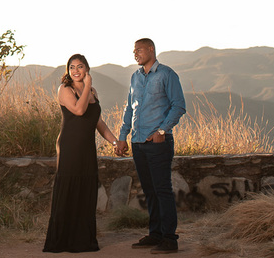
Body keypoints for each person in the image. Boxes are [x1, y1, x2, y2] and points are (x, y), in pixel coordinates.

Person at [43, 53, 122, 253]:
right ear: (68, 71)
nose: (76, 71)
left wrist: (114, 141)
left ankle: (83, 241)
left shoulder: (92, 91)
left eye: (80, 66)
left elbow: (98, 122)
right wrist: (87, 86)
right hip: (70, 146)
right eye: (72, 67)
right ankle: (62, 241)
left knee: (86, 191)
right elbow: (79, 111)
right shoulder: (65, 89)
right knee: (69, 189)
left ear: (87, 68)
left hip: (87, 148)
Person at [115, 38, 186, 254]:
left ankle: (169, 239)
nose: (135, 53)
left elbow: (179, 106)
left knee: (162, 190)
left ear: (151, 49)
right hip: (138, 143)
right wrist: (122, 136)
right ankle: (155, 234)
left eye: (139, 50)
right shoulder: (135, 78)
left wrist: (162, 131)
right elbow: (129, 109)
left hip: (158, 144)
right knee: (149, 191)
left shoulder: (167, 74)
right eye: (133, 51)